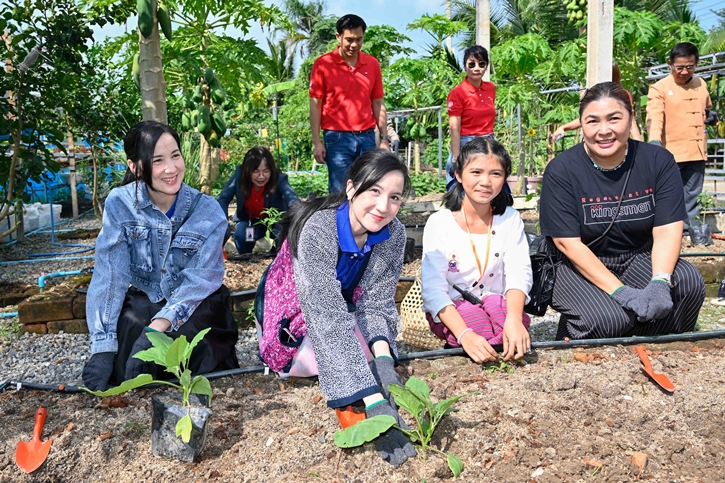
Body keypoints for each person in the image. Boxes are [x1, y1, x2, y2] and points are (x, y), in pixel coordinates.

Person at [257, 149, 416, 467]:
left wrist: (385, 363)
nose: (384, 207)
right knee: (327, 358)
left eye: (395, 197)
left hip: (341, 307)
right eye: (375, 191)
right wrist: (373, 401)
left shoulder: (393, 233)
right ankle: (358, 392)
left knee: (373, 354)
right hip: (292, 316)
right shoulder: (319, 229)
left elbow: (377, 301)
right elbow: (325, 318)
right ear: (351, 187)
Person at [539, 82, 706, 340]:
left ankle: (654, 340)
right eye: (592, 121)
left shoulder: (657, 161)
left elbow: (667, 229)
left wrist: (660, 281)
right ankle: (579, 333)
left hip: (636, 256)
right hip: (574, 263)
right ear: (581, 125)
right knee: (609, 318)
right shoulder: (562, 170)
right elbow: (567, 244)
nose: (604, 131)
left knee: (687, 283)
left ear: (630, 119)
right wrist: (622, 293)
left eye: (614, 119)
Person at [82, 121, 239, 391]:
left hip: (195, 301)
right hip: (149, 296)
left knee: (186, 341)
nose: (171, 169)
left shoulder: (208, 211)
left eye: (175, 155)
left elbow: (200, 280)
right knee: (129, 331)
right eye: (157, 160)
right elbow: (110, 275)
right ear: (135, 167)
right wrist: (103, 347)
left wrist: (157, 328)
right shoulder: (121, 203)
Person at [421, 137, 533, 362]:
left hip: (497, 300)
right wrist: (464, 335)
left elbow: (519, 273)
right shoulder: (439, 222)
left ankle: (494, 343)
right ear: (459, 175)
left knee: (507, 316)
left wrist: (513, 319)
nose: (486, 182)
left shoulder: (509, 219)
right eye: (476, 172)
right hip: (454, 306)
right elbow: (434, 290)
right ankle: (482, 342)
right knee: (476, 324)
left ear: (504, 179)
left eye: (496, 174)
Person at [309, 14, 388, 194]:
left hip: (367, 138)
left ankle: (365, 223)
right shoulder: (323, 64)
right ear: (338, 37)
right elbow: (315, 104)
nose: (354, 45)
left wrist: (384, 138)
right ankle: (338, 223)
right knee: (339, 192)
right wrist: (316, 142)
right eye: (349, 40)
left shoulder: (372, 64)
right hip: (336, 139)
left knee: (368, 189)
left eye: (359, 39)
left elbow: (378, 103)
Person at [646, 42, 716, 233]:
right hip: (672, 153)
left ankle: (690, 229)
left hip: (696, 150)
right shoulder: (659, 88)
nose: (684, 71)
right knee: (669, 194)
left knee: (693, 193)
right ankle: (668, 229)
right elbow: (655, 116)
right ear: (670, 64)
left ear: (696, 64)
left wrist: (712, 117)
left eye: (690, 67)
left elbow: (706, 108)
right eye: (680, 67)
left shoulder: (701, 84)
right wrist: (654, 142)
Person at [216, 146, 299, 254]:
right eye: (256, 171)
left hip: (274, 221)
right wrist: (223, 223)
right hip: (250, 221)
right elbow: (223, 198)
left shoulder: (278, 178)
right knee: (243, 238)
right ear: (247, 170)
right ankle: (246, 255)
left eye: (266, 171)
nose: (261, 176)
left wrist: (298, 216)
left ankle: (276, 254)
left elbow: (292, 199)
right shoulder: (239, 177)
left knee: (281, 237)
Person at [551, 62, 643, 143]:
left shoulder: (621, 96)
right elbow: (588, 119)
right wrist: (564, 128)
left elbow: (631, 121)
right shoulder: (597, 95)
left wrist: (640, 149)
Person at [445, 45, 496, 186]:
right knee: (460, 185)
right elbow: (455, 127)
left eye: (481, 64)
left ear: (486, 66)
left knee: (487, 184)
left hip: (488, 141)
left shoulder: (490, 88)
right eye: (472, 64)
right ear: (465, 67)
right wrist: (456, 157)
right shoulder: (457, 93)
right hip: (466, 142)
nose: (476, 68)